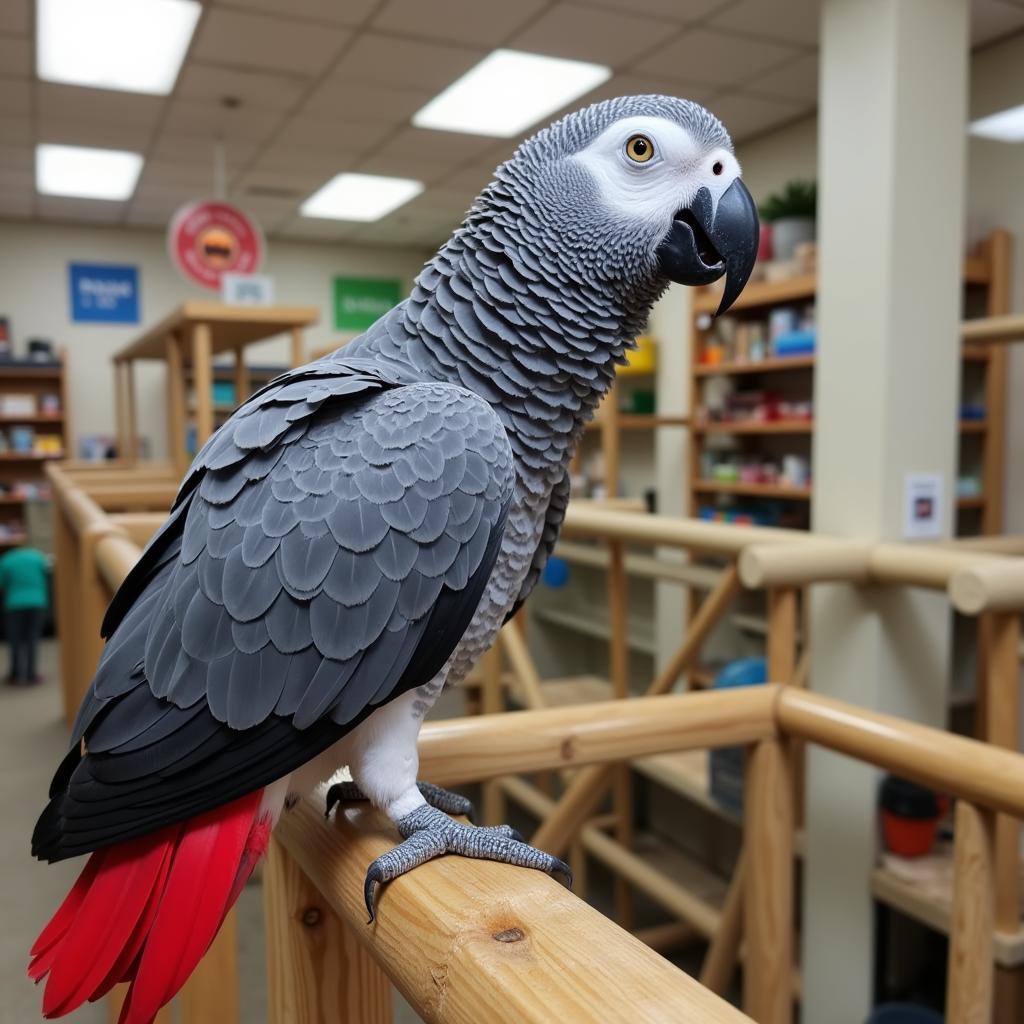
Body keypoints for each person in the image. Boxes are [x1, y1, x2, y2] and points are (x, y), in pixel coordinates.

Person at [0, 543, 50, 686]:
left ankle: (15, 674)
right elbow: (46, 575)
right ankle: (31, 675)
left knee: (14, 640)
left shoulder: (6, 560)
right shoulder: (37, 557)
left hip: (14, 603)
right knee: (32, 639)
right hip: (37, 602)